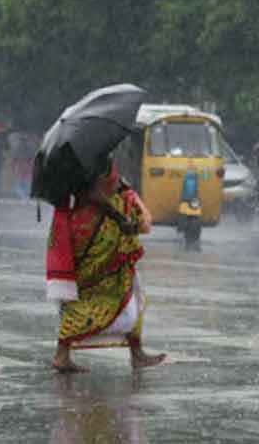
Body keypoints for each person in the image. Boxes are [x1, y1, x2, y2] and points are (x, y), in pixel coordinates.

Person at [46, 155, 166, 373]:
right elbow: (94, 193)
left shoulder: (91, 156)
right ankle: (61, 355)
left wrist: (122, 186)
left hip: (97, 234)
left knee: (128, 288)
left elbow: (105, 188)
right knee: (89, 295)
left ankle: (136, 352)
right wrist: (120, 217)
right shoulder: (90, 160)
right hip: (97, 235)